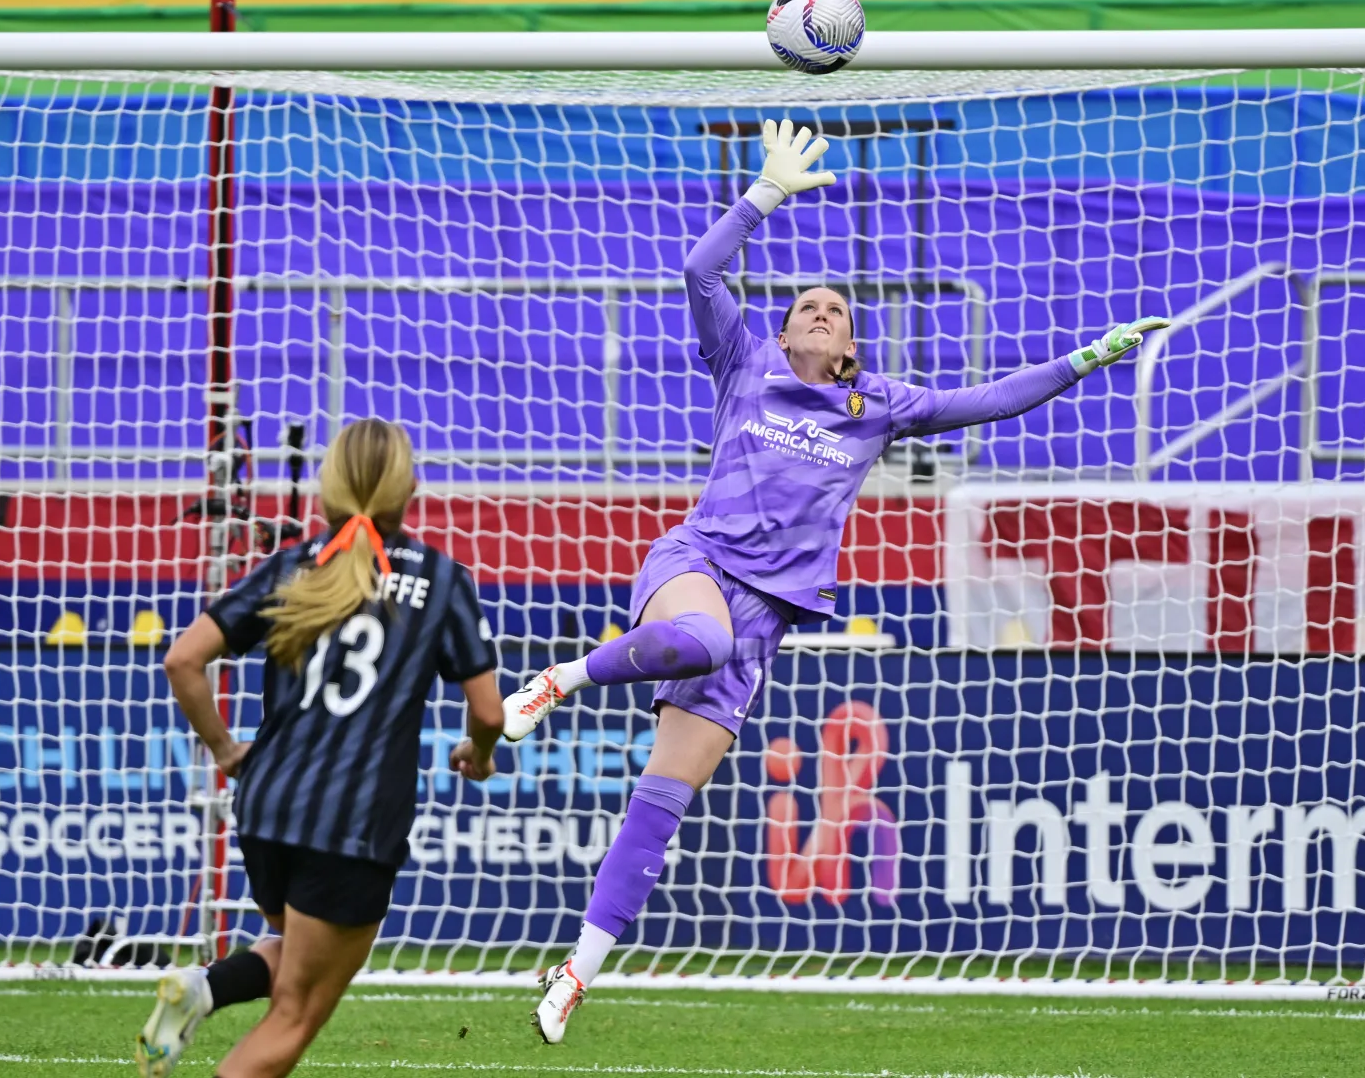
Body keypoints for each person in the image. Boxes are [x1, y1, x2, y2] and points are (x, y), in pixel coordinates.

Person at [502, 119, 1171, 1044]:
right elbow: (700, 271)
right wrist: (765, 194)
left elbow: (991, 399)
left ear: (852, 344)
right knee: (704, 638)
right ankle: (560, 680)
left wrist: (1088, 359)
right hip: (697, 566)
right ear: (780, 332)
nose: (822, 311)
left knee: (661, 807)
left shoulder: (877, 407)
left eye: (838, 310)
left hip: (765, 621)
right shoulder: (745, 363)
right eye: (806, 306)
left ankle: (577, 970)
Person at [135, 417, 505, 1078]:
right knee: (298, 1011)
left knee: (302, 955)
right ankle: (207, 992)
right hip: (353, 823)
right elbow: (488, 712)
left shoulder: (293, 564)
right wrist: (478, 754)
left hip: (267, 804)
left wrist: (224, 750)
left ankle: (205, 988)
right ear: (408, 488)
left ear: (328, 487)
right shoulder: (440, 580)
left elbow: (183, 659)